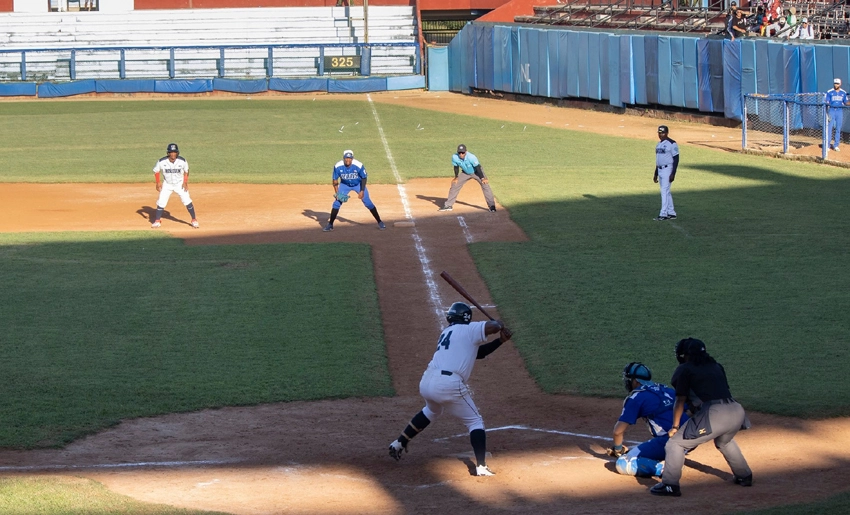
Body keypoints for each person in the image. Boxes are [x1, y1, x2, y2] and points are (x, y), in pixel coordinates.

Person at [388, 302, 512, 476]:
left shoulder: (447, 333)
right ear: (467, 317)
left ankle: (399, 443)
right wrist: (499, 325)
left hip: (427, 380)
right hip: (448, 384)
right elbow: (492, 326)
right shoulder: (468, 330)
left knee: (431, 411)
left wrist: (500, 341)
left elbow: (478, 353)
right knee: (475, 421)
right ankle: (482, 467)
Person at [650, 338, 753, 497]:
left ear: (684, 355)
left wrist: (675, 427)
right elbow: (711, 393)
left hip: (716, 414)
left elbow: (680, 400)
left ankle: (669, 485)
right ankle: (745, 476)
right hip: (737, 411)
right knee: (723, 441)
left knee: (675, 444)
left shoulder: (685, 369)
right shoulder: (717, 366)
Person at [606, 362, 689, 478]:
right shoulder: (665, 389)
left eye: (629, 379)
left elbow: (618, 431)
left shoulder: (636, 397)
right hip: (691, 437)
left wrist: (618, 450)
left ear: (636, 381)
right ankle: (676, 456)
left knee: (623, 462)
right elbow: (688, 410)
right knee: (635, 449)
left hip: (671, 441)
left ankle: (666, 469)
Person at [323, 149, 385, 232]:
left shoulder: (358, 165)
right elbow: (335, 181)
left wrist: (362, 190)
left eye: (350, 158)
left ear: (352, 158)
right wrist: (337, 193)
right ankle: (330, 225)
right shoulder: (338, 166)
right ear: (343, 158)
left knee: (367, 202)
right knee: (336, 203)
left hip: (358, 184)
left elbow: (364, 178)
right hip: (345, 185)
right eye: (346, 158)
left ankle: (380, 222)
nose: (348, 160)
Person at [151, 143, 199, 229]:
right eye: (171, 152)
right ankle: (157, 221)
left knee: (187, 200)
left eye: (174, 152)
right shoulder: (161, 161)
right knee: (161, 201)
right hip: (167, 184)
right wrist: (158, 182)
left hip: (179, 184)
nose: (173, 154)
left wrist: (185, 182)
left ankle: (194, 220)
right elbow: (156, 171)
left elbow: (186, 171)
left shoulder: (182, 161)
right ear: (168, 153)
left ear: (177, 153)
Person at [437, 144, 497, 213]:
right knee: (455, 184)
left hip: (476, 172)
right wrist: (456, 177)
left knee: (485, 185)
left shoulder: (471, 157)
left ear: (466, 152)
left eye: (463, 152)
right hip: (465, 173)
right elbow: (456, 167)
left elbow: (478, 167)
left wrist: (483, 178)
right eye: (459, 152)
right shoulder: (455, 157)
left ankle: (492, 206)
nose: (461, 154)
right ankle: (448, 205)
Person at [653, 125, 679, 221]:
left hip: (668, 169)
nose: (660, 135)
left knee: (664, 191)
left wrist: (673, 173)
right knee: (666, 192)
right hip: (660, 169)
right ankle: (671, 212)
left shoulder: (672, 144)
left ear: (667, 133)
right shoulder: (658, 144)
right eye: (659, 133)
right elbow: (658, 160)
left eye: (662, 133)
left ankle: (663, 214)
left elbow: (676, 159)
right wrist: (655, 173)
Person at [826, 78, 849, 151]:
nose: (836, 85)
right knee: (829, 128)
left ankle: (836, 145)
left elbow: (846, 102)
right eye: (835, 83)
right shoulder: (829, 92)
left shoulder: (843, 92)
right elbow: (827, 102)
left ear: (840, 84)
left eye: (837, 83)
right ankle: (828, 145)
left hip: (839, 111)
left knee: (838, 128)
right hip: (832, 111)